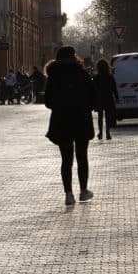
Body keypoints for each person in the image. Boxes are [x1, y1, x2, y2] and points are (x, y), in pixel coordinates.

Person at [44, 46, 96, 205]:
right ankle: (83, 190)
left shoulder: (53, 77)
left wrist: (61, 106)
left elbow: (48, 102)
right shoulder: (83, 74)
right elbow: (92, 97)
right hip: (81, 120)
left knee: (66, 159)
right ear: (75, 57)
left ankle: (68, 194)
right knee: (82, 157)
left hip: (62, 121)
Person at [93, 58, 118, 140]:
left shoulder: (96, 77)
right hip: (108, 98)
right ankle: (108, 132)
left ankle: (100, 132)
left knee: (100, 117)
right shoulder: (110, 77)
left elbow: (93, 89)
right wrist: (117, 97)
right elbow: (114, 88)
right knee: (108, 116)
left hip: (99, 99)